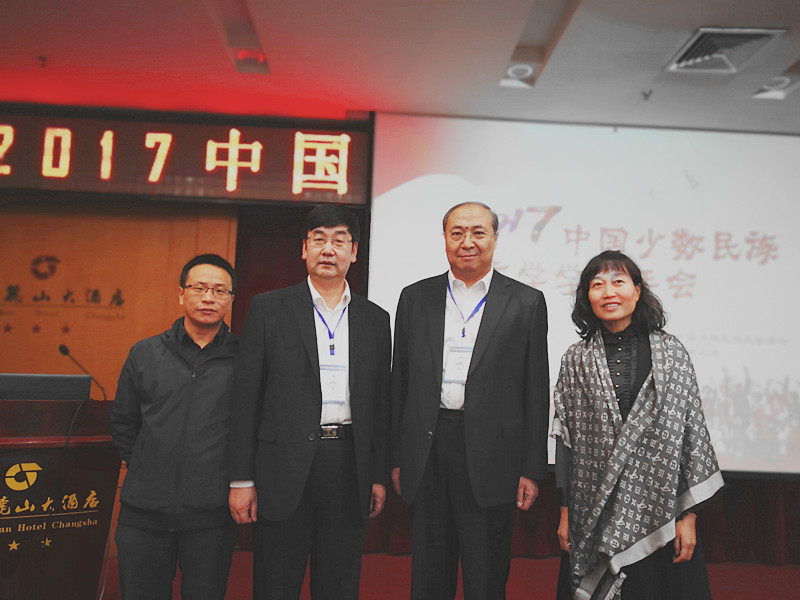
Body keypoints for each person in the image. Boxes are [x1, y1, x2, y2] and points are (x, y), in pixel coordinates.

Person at [228, 205, 391, 600]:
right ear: (304, 248)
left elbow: (380, 404)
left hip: (348, 463)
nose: (328, 249)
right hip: (281, 465)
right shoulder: (269, 309)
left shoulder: (375, 319)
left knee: (338, 584)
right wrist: (241, 479)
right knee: (275, 583)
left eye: (339, 240)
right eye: (319, 239)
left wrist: (377, 474)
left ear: (354, 251)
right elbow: (246, 398)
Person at [390, 201, 550, 599]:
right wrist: (396, 457)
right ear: (444, 238)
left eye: (478, 232)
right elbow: (400, 383)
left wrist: (531, 468)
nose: (467, 242)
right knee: (429, 574)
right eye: (457, 232)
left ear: (495, 238)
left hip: (494, 456)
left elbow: (535, 390)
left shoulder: (526, 301)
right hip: (428, 449)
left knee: (486, 575)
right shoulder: (415, 297)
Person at [552, 250, 724, 600]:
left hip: (662, 511)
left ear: (637, 290)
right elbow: (565, 441)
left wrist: (689, 517)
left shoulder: (671, 354)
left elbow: (692, 436)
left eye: (618, 282)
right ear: (587, 296)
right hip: (594, 512)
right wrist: (565, 511)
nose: (608, 292)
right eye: (597, 285)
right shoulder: (575, 359)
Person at [110, 254, 238, 600]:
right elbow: (124, 421)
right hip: (144, 512)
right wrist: (147, 466)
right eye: (199, 288)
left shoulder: (245, 358)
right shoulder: (145, 353)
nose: (208, 298)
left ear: (230, 300)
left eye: (219, 291)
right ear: (181, 294)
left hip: (211, 514)